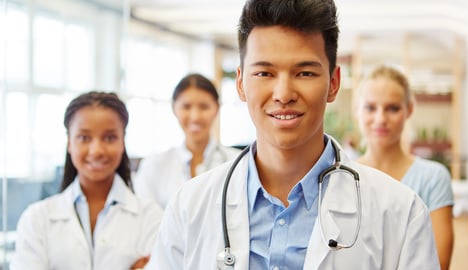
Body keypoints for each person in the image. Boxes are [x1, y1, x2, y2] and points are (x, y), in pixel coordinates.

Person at [146, 0, 440, 269]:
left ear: (334, 83)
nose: (284, 94)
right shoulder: (188, 206)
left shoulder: (401, 213)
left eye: (305, 73)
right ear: (240, 83)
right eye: (264, 73)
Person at [10, 91, 163, 270]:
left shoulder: (151, 218)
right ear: (69, 143)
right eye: (84, 138)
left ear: (123, 142)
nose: (96, 150)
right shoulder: (37, 219)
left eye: (110, 137)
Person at [353, 64, 454, 270]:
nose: (381, 119)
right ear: (357, 110)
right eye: (371, 107)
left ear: (409, 109)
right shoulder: (341, 175)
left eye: (393, 108)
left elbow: (437, 264)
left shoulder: (433, 178)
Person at [134, 73, 241, 209]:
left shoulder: (238, 163)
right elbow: (147, 222)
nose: (195, 117)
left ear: (217, 109)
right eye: (186, 107)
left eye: (204, 107)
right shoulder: (153, 166)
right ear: (174, 108)